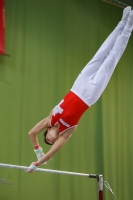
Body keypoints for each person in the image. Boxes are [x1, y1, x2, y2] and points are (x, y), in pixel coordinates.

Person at [26, 6, 133, 173]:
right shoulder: (68, 132)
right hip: (89, 96)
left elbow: (31, 133)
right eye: (51, 142)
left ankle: (121, 23)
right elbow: (52, 154)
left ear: (46, 133)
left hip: (77, 86)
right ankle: (129, 27)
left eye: (47, 139)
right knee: (111, 59)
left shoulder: (49, 119)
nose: (51, 140)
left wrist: (38, 151)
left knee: (100, 54)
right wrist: (38, 163)